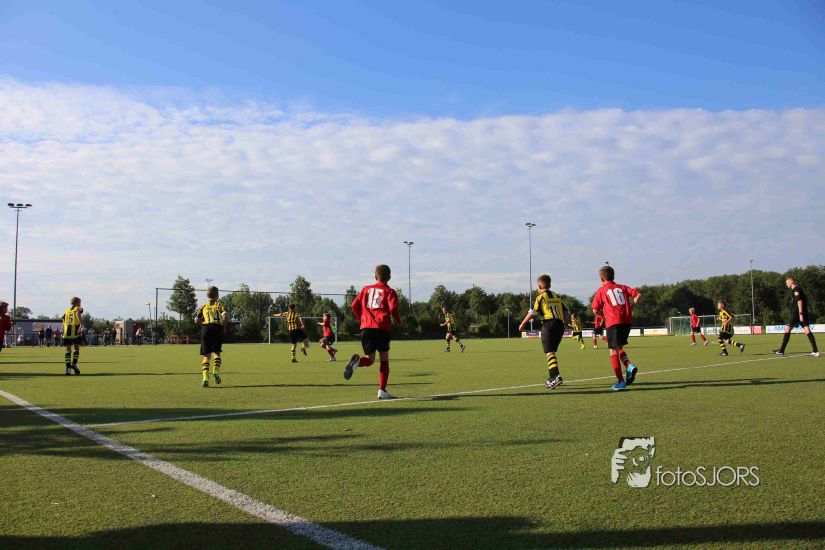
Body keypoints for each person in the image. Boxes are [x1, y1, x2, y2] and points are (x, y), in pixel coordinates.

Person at [343, 264, 402, 399]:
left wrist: (362, 319)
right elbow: (393, 309)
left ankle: (357, 362)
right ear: (389, 277)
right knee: (384, 359)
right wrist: (398, 320)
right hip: (382, 327)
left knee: (369, 360)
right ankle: (382, 390)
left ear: (375, 276)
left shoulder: (365, 289)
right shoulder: (390, 291)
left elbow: (354, 305)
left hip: (366, 328)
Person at [591, 266, 641, 391]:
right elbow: (638, 294)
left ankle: (621, 382)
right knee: (619, 348)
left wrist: (603, 315)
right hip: (627, 321)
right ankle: (629, 366)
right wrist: (632, 307)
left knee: (613, 351)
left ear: (601, 279)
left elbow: (595, 310)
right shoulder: (623, 287)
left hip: (613, 322)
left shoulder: (602, 290)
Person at [518, 274, 568, 390]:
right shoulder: (557, 296)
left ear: (539, 286)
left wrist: (523, 323)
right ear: (549, 285)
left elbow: (532, 312)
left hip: (549, 324)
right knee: (552, 352)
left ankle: (556, 377)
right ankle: (552, 378)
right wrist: (563, 322)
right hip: (560, 325)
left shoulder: (540, 297)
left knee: (549, 352)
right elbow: (566, 312)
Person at [773, 277, 819, 357]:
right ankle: (815, 351)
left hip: (797, 314)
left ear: (791, 282)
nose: (786, 284)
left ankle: (781, 351)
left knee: (787, 329)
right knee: (807, 330)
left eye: (787, 282)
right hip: (803, 313)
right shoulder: (797, 289)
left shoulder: (796, 289)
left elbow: (799, 301)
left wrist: (800, 314)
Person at [195, 286, 228, 388]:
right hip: (217, 328)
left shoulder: (203, 306)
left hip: (206, 329)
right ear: (217, 295)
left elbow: (196, 319)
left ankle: (205, 378)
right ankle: (216, 371)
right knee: (216, 353)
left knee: (206, 356)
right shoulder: (219, 305)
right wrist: (224, 327)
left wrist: (202, 325)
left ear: (207, 295)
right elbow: (225, 316)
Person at [62, 297, 83, 375]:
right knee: (76, 348)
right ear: (77, 302)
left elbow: (63, 322)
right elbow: (78, 314)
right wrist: (81, 325)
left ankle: (68, 368)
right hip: (75, 331)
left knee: (68, 350)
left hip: (66, 332)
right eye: (80, 302)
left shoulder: (66, 311)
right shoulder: (78, 308)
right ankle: (74, 364)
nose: (80, 304)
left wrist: (63, 332)